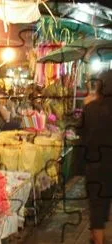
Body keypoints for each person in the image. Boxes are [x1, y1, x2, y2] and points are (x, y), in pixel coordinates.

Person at [76, 70, 112, 244]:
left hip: (95, 167)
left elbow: (79, 132)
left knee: (97, 208)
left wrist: (87, 107)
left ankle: (98, 240)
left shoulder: (90, 107)